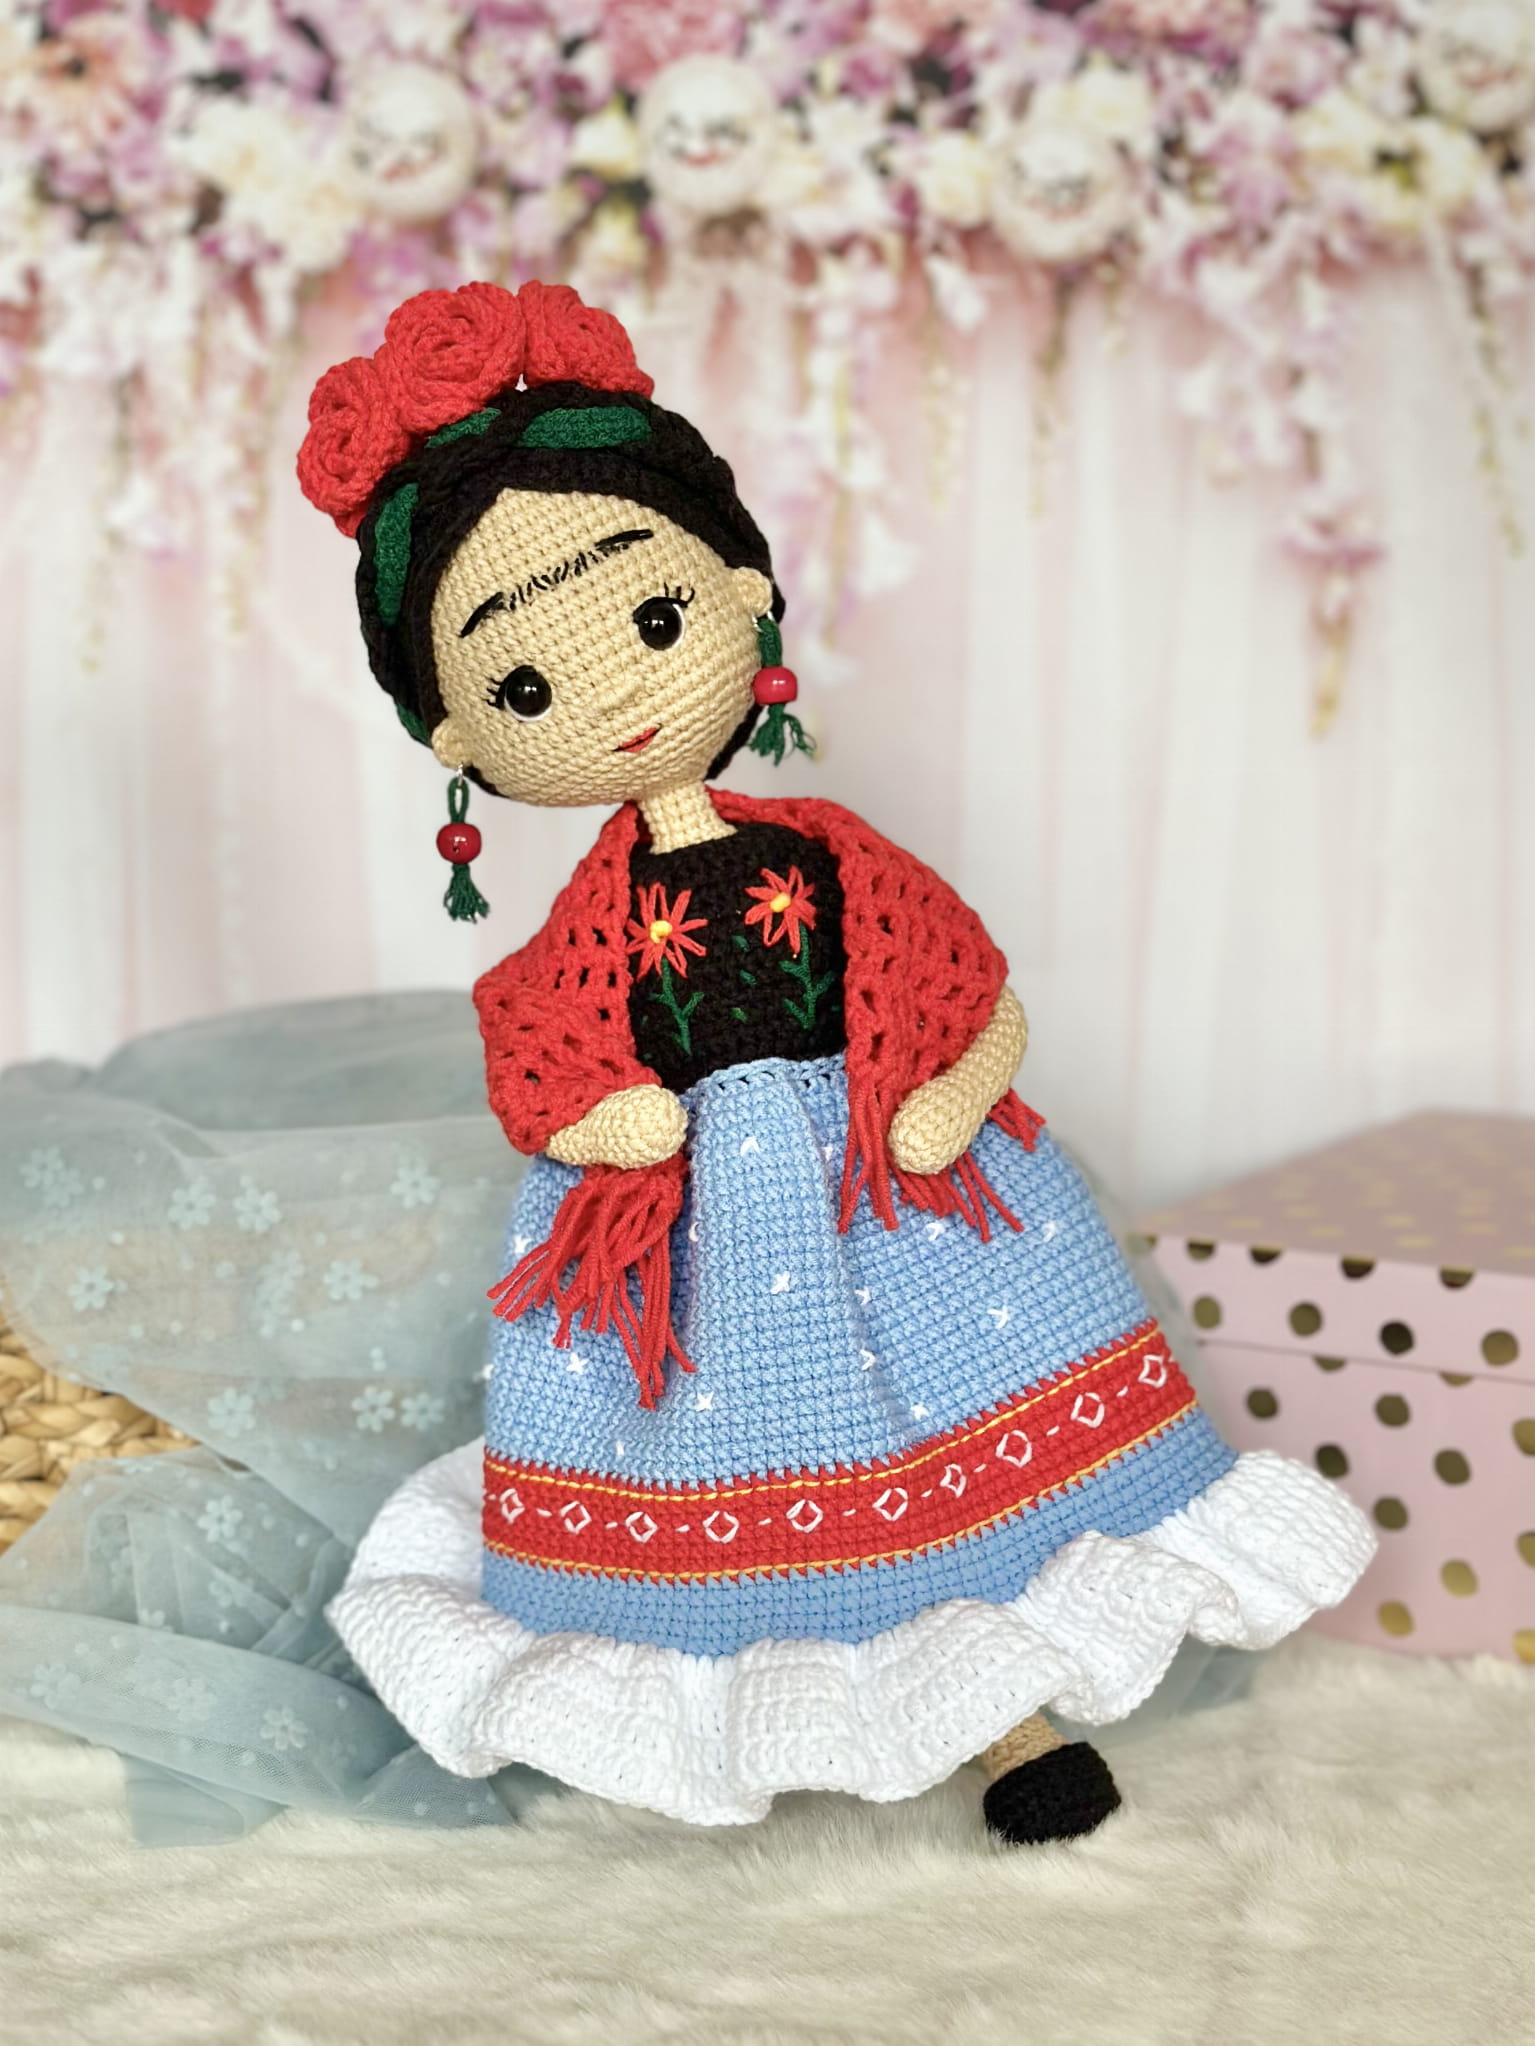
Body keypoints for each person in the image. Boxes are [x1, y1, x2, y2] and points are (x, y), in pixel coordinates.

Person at [301, 280, 1374, 1843]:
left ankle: (1006, 1715)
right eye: (522, 687)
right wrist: (600, 1123)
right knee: (758, 1488)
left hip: (893, 1192)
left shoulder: (834, 855)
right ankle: (752, 1707)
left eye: (653, 619)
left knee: (950, 1459)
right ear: (458, 740)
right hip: (696, 1244)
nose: (616, 692)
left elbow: (973, 995)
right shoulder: (574, 937)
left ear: (742, 596)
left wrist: (950, 1095)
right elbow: (538, 1058)